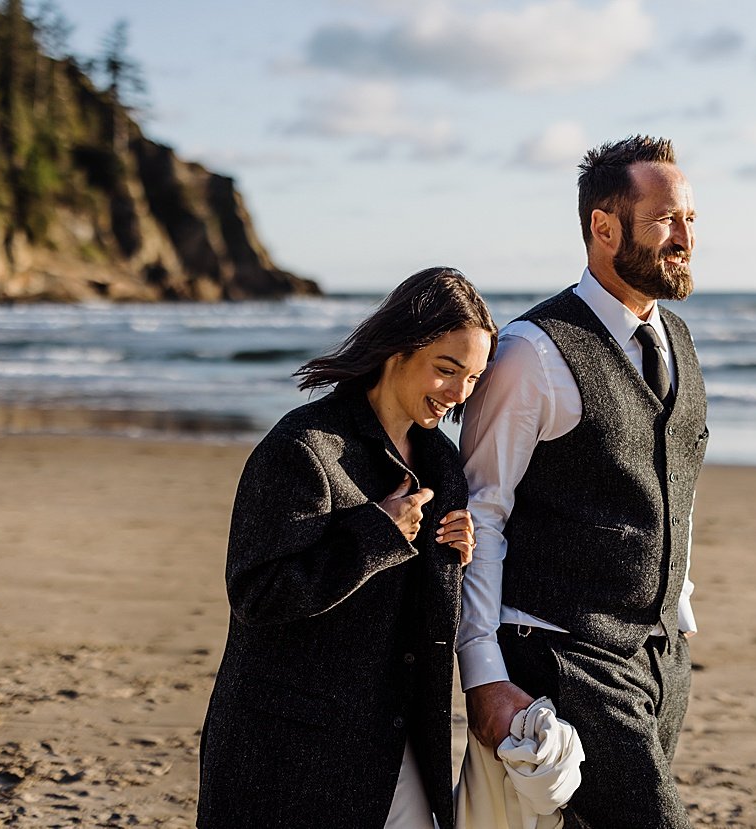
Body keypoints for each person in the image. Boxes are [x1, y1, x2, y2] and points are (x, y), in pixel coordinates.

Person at [457, 135, 707, 827]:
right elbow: (483, 514)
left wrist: (677, 610)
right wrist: (483, 674)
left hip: (660, 658)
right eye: (667, 219)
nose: (686, 236)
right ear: (604, 226)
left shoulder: (678, 339)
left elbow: (672, 482)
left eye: (691, 217)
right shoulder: (530, 352)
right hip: (561, 653)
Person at [199, 267, 496, 829]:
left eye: (475, 378)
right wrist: (375, 534)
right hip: (289, 752)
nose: (459, 394)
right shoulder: (304, 449)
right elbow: (258, 595)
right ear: (398, 352)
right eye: (447, 370)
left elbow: (417, 608)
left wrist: (455, 553)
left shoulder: (442, 463)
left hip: (399, 738)